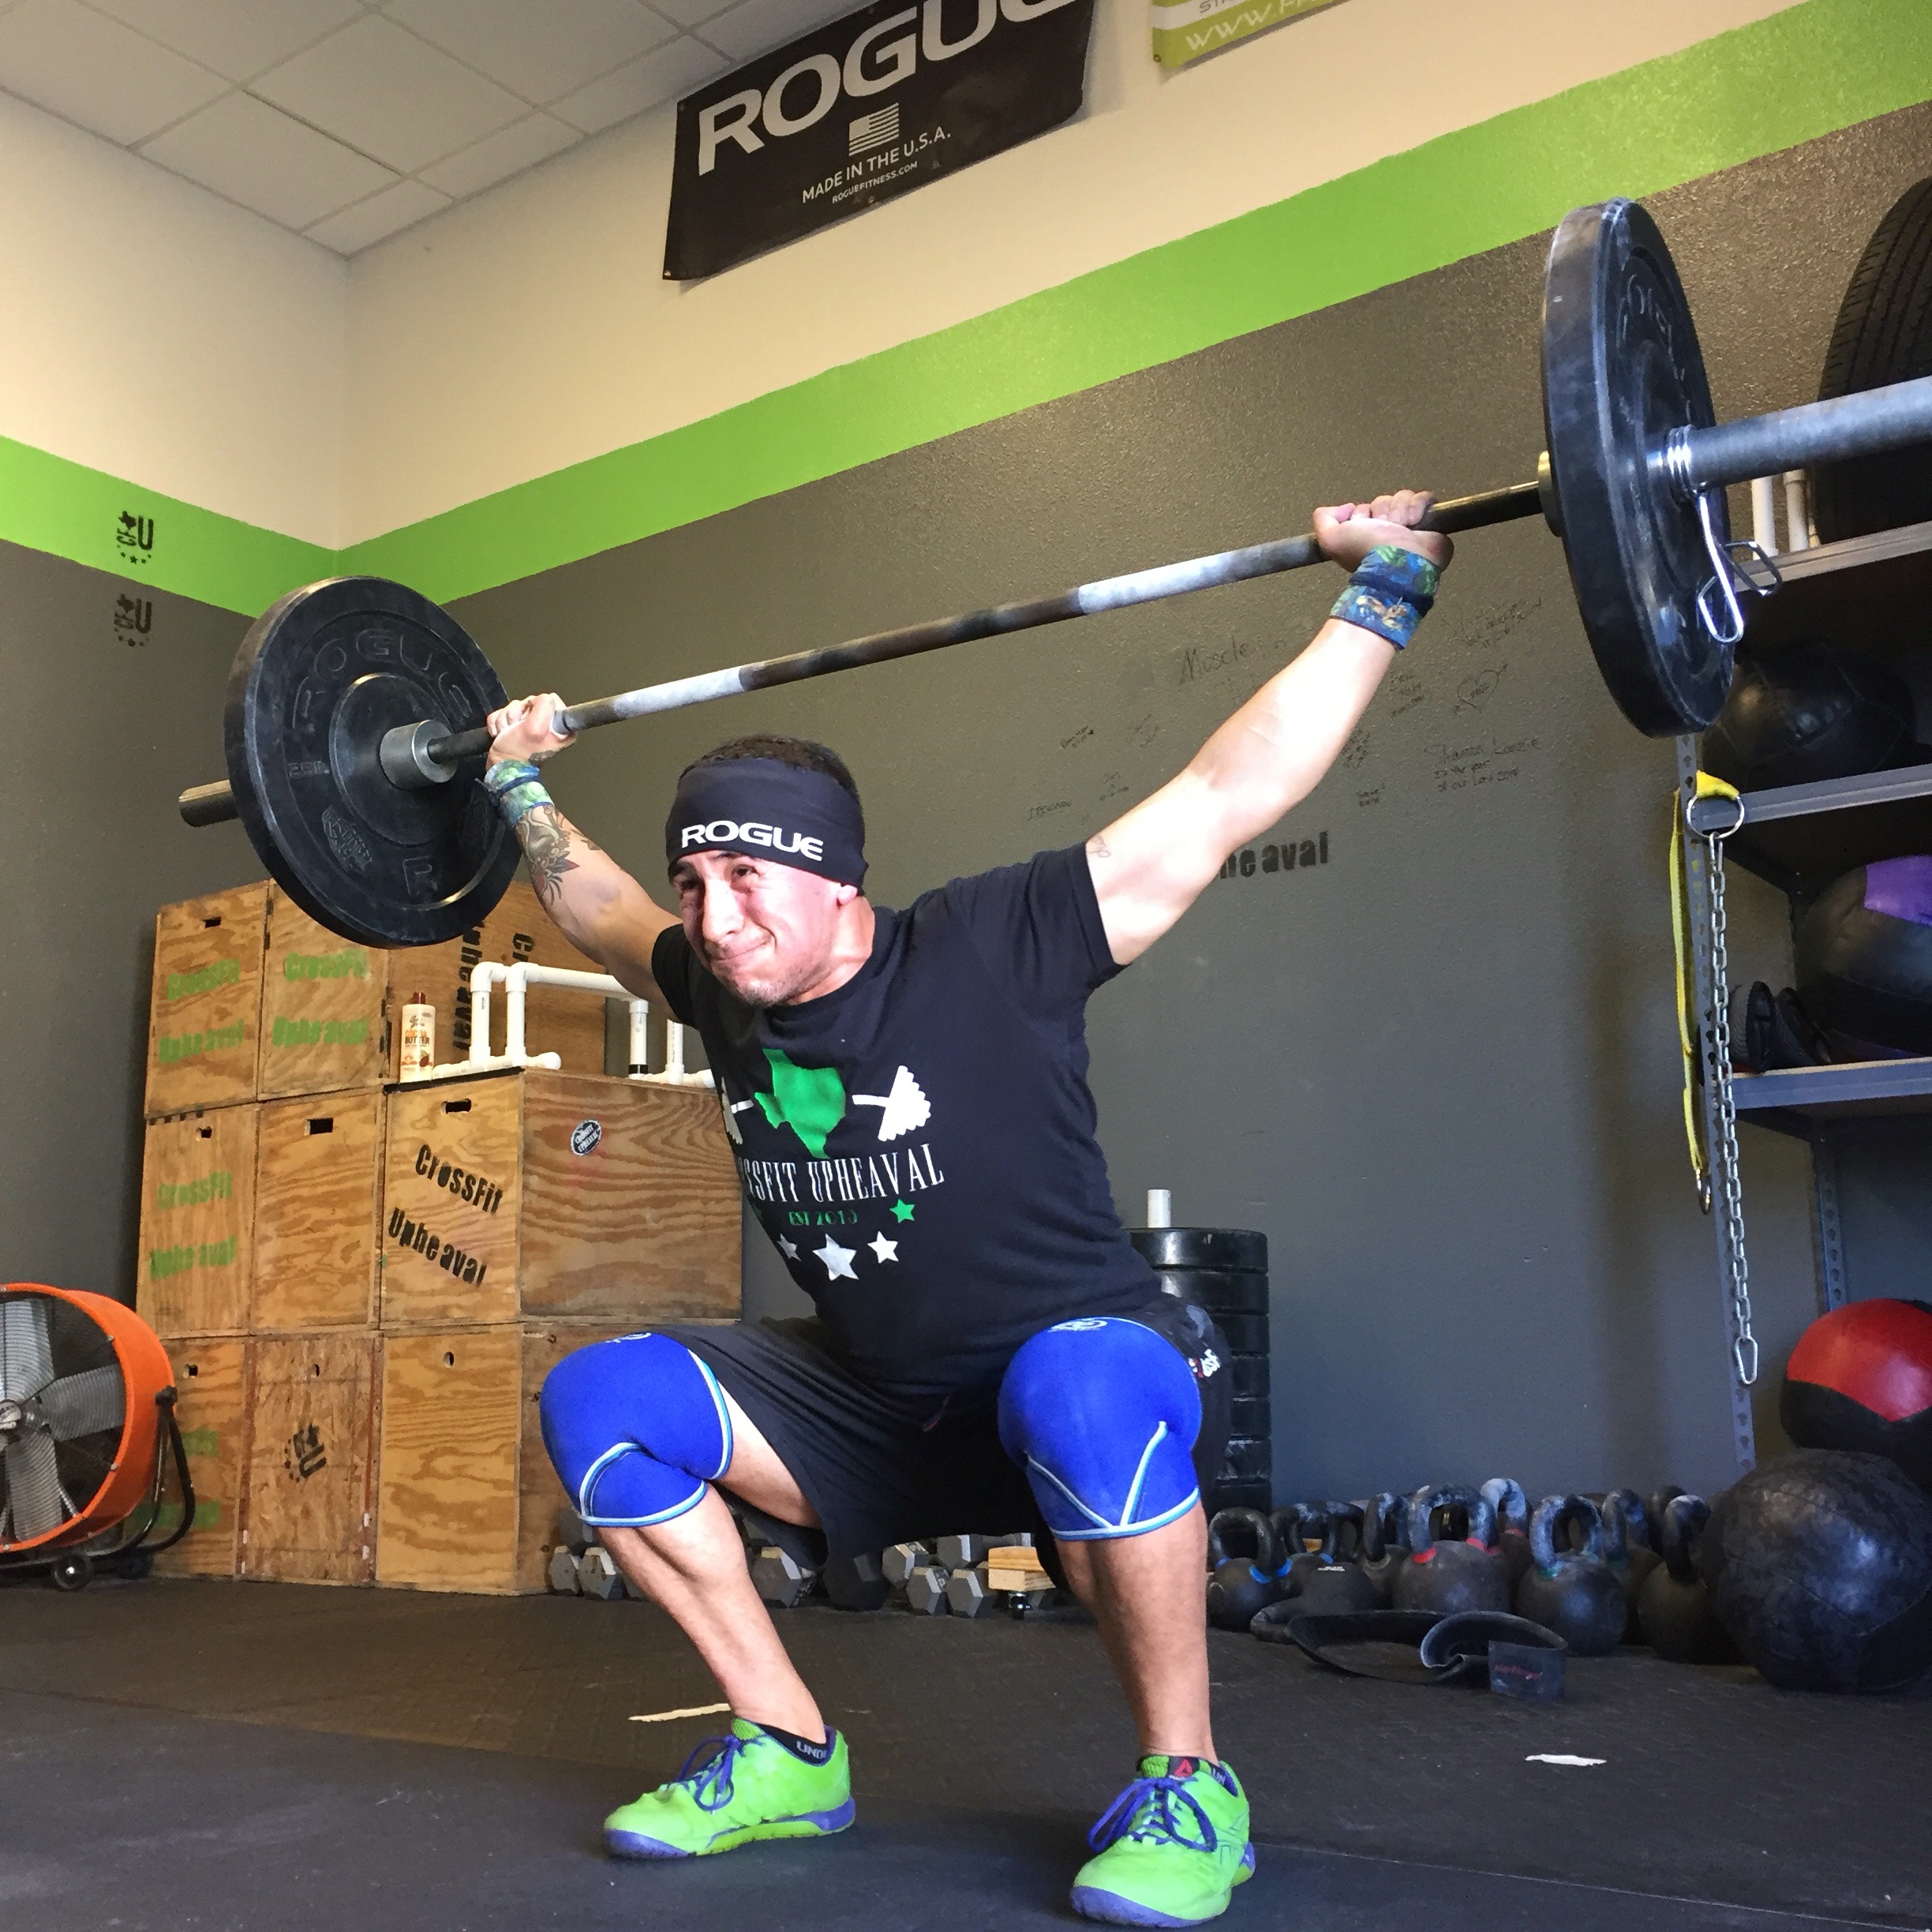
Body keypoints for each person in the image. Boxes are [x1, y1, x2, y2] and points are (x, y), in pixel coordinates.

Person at [481, 492, 1449, 1926]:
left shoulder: (999, 942)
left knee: (1078, 1382)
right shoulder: (716, 980)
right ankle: (787, 1748)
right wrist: (515, 785)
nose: (715, 915)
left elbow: (1224, 793)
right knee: (601, 1400)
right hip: (879, 1408)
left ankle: (1191, 1787)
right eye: (696, 880)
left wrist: (1389, 590)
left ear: (840, 882)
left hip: (1083, 1378)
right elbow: (597, 903)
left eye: (748, 877)